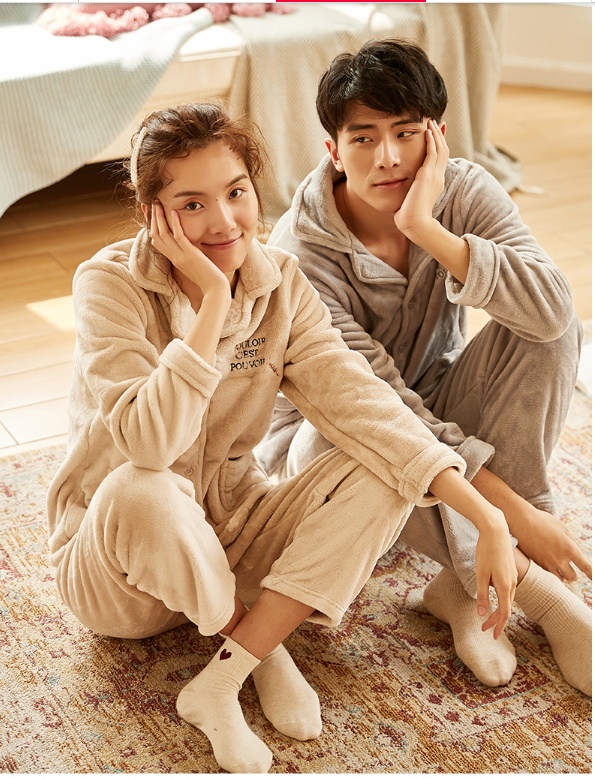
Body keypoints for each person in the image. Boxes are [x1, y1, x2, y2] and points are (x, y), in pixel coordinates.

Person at [46, 102, 524, 774]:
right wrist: (213, 305)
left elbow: (360, 402)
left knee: (381, 464)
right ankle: (263, 647)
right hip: (119, 570)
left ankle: (221, 676)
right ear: (153, 215)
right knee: (141, 486)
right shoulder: (108, 284)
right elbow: (149, 446)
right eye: (191, 204)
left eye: (236, 192)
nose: (223, 221)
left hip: (232, 537)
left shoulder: (279, 284)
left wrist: (486, 515)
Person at [261, 39, 592, 695]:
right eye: (363, 138)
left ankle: (464, 587)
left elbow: (553, 311)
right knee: (339, 435)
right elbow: (378, 412)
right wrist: (518, 519)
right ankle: (532, 590)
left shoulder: (461, 190)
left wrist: (427, 229)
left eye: (405, 133)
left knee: (548, 331)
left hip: (436, 397)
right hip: (332, 445)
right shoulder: (297, 253)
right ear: (333, 150)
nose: (387, 156)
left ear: (436, 136)